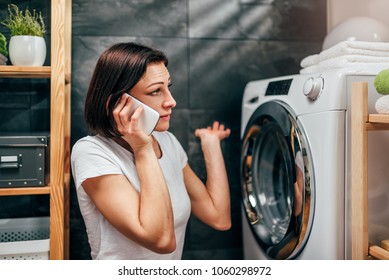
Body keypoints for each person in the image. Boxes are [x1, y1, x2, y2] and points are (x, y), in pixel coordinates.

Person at [70, 42, 231, 260]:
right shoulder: (92, 152)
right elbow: (162, 241)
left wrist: (211, 145)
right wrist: (142, 148)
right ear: (117, 102)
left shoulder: (168, 142)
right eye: (155, 91)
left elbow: (219, 218)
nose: (171, 101)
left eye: (168, 87)